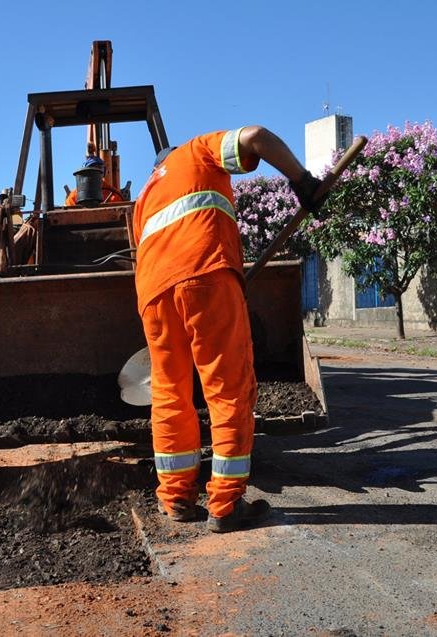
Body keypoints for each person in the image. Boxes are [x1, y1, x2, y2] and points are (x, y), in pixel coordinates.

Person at [132, 126, 325, 533]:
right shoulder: (197, 151)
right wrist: (302, 180)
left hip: (152, 293)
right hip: (205, 274)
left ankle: (176, 497)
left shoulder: (145, 196)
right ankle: (224, 505)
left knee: (169, 393)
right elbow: (256, 136)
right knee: (227, 388)